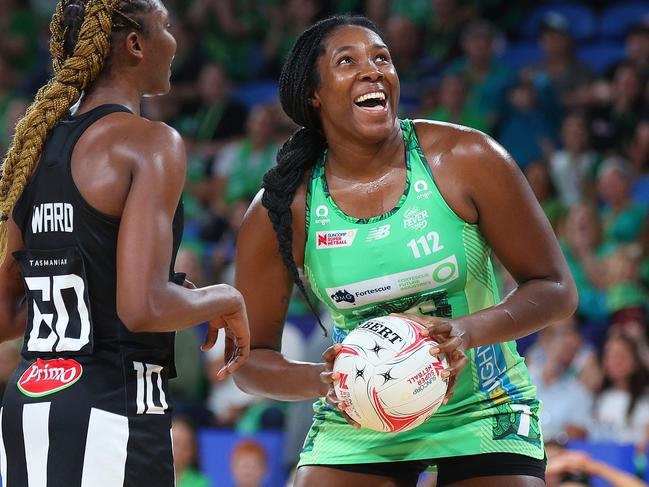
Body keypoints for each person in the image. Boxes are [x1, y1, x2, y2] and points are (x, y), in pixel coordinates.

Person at [233, 15, 577, 487]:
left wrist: (466, 330)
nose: (372, 70)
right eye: (347, 61)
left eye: (382, 58)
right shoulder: (285, 207)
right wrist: (333, 381)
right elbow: (249, 362)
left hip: (482, 407)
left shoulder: (467, 159)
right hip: (361, 416)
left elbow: (556, 289)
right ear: (314, 94)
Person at [0, 1, 250, 485]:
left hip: (27, 409)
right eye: (168, 28)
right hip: (113, 411)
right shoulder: (149, 142)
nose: (175, 43)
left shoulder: (34, 146)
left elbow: (6, 315)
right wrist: (224, 296)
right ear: (136, 44)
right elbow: (143, 308)